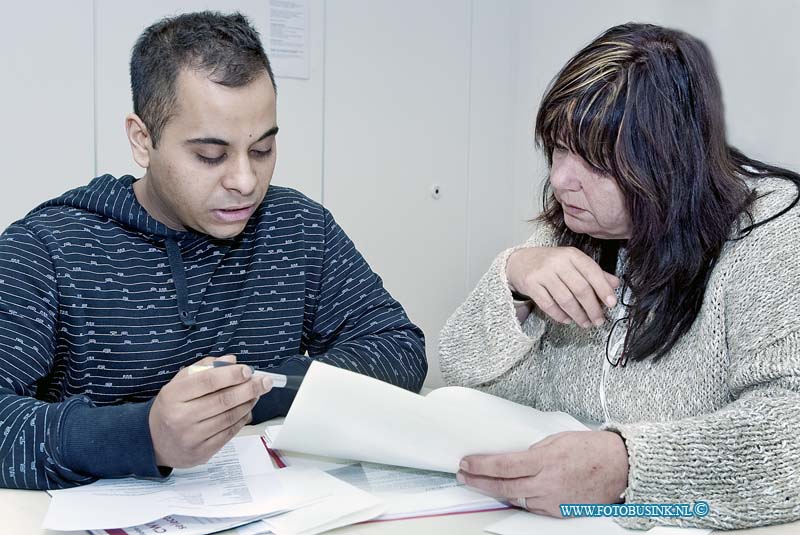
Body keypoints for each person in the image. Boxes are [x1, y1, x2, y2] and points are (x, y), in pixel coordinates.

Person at [0, 11, 426, 490]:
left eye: (262, 150)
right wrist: (146, 434)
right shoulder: (46, 249)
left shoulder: (298, 226)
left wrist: (253, 394)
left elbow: (399, 349)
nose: (245, 182)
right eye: (210, 155)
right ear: (143, 140)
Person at [439, 22, 800, 531]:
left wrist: (627, 464)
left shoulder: (771, 231)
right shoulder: (572, 224)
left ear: (671, 163)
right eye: (559, 149)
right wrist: (513, 277)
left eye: (596, 162)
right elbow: (460, 374)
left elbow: (791, 429)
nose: (562, 179)